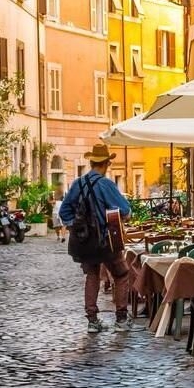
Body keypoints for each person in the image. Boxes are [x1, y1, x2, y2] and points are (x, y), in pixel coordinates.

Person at [59, 143, 132, 334]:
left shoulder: (78, 183)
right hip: (106, 239)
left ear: (91, 162)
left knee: (92, 276)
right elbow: (124, 210)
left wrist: (73, 225)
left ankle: (92, 320)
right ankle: (121, 318)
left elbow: (64, 211)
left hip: (84, 241)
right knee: (121, 274)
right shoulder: (106, 184)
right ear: (106, 164)